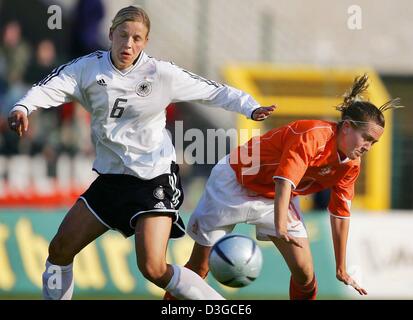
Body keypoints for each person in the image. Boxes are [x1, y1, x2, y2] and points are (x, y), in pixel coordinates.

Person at [7, 6, 275, 300]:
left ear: (145, 42)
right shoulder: (87, 68)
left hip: (153, 179)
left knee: (153, 268)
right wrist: (23, 107)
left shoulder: (160, 73)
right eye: (123, 35)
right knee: (59, 249)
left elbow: (211, 90)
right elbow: (50, 86)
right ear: (111, 34)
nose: (128, 44)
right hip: (111, 181)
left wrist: (249, 105)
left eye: (137, 38)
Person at [164, 74, 403, 300]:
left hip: (273, 198)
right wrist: (280, 224)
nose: (368, 146)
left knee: (305, 274)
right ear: (348, 127)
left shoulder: (351, 165)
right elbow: (284, 180)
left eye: (374, 142)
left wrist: (341, 267)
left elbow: (340, 213)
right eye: (367, 138)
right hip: (234, 181)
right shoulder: (313, 135)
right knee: (199, 268)